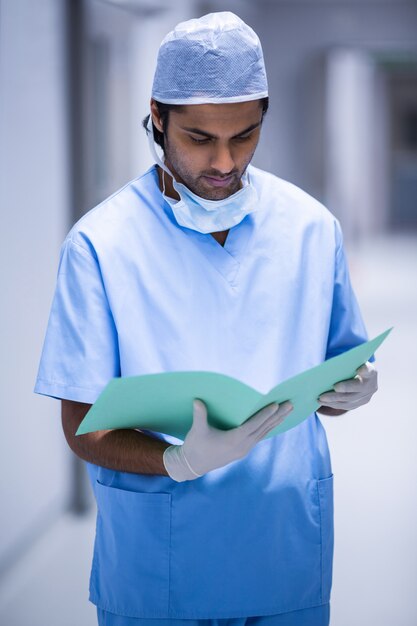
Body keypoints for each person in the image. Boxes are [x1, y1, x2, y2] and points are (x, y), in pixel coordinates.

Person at [34, 11, 378, 626]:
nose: (224, 162)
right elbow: (81, 423)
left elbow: (331, 377)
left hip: (283, 551)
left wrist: (351, 389)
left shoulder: (310, 228)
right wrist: (177, 461)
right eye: (199, 138)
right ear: (157, 117)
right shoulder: (100, 245)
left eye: (244, 136)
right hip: (161, 566)